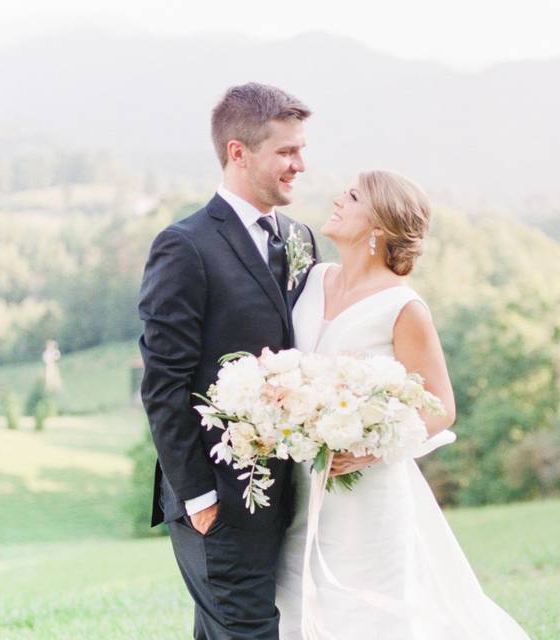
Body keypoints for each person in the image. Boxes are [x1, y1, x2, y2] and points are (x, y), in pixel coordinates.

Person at [275, 170, 529, 639]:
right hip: (301, 487)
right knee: (299, 607)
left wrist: (372, 448)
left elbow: (441, 407)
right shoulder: (312, 280)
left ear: (379, 227)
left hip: (366, 494)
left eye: (352, 197)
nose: (338, 199)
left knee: (369, 614)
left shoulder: (403, 307)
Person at [138, 82, 320, 639]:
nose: (300, 165)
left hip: (288, 492)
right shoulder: (185, 245)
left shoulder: (301, 240)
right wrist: (197, 496)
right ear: (238, 152)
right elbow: (163, 384)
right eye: (286, 152)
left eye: (301, 150)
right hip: (215, 496)